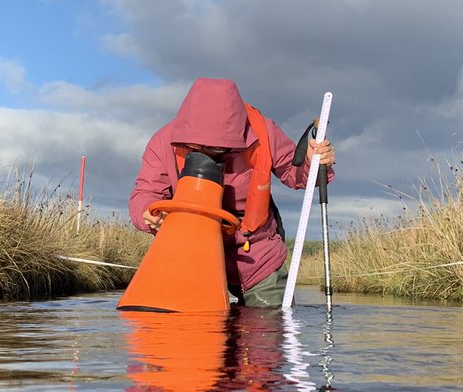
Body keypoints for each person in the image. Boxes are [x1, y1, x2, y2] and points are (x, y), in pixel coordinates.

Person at [129, 77, 335, 307]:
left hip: (256, 256)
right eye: (197, 148)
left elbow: (294, 174)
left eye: (219, 149)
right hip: (189, 254)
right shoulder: (163, 141)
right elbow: (145, 193)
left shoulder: (264, 132)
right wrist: (148, 213)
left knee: (267, 330)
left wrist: (313, 164)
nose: (209, 154)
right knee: (183, 332)